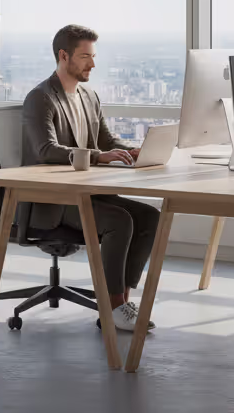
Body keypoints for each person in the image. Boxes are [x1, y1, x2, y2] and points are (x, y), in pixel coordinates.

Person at [21, 24, 161, 332]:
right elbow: (46, 149)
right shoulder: (41, 98)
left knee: (149, 216)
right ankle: (113, 308)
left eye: (93, 56)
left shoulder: (88, 96)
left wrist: (136, 150)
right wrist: (97, 156)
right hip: (51, 200)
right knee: (119, 221)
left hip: (84, 193)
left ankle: (122, 303)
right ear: (63, 56)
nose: (92, 65)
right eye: (85, 57)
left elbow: (107, 140)